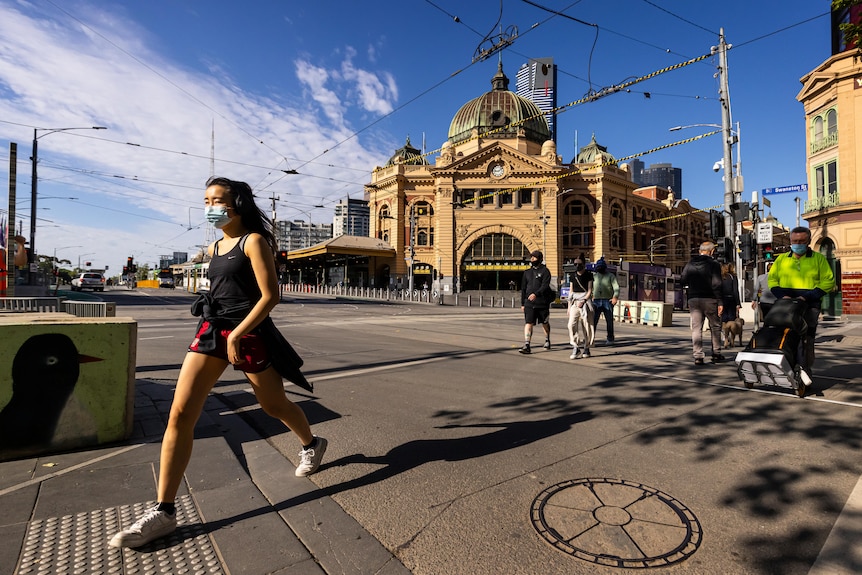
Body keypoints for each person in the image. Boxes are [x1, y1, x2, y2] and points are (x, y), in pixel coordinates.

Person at [110, 177, 326, 549]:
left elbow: (271, 296)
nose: (211, 206)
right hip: (211, 330)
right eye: (206, 199)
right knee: (179, 414)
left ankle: (312, 442)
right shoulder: (213, 246)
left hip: (249, 332)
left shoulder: (253, 242)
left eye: (218, 200)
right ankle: (164, 510)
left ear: (237, 203)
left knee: (273, 405)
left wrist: (240, 333)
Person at [768, 226, 835, 378]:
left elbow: (828, 281)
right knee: (786, 337)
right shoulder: (782, 259)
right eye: (794, 241)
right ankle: (786, 367)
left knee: (807, 339)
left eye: (801, 241)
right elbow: (772, 280)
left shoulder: (819, 259)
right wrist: (782, 295)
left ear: (809, 241)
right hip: (786, 305)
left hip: (809, 305)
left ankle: (805, 370)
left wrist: (807, 296)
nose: (797, 244)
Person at [680, 241, 724, 365]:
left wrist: (691, 289)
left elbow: (682, 280)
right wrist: (720, 301)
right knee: (715, 326)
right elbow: (717, 284)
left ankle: (698, 356)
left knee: (696, 328)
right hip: (710, 299)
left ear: (700, 251)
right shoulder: (714, 264)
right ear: (712, 251)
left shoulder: (690, 264)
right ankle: (716, 353)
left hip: (694, 299)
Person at [519, 250, 552, 354]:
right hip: (529, 303)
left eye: (534, 257)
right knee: (528, 322)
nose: (532, 259)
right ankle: (527, 344)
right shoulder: (527, 273)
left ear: (540, 259)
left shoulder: (545, 271)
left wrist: (536, 294)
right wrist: (522, 303)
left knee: (545, 322)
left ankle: (547, 339)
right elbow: (523, 288)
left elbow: (545, 286)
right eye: (531, 257)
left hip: (542, 302)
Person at [567, 254, 594, 359]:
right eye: (575, 264)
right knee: (571, 324)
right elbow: (571, 291)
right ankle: (575, 346)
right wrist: (569, 306)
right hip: (575, 302)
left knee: (587, 325)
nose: (577, 266)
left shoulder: (589, 275)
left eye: (579, 264)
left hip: (585, 301)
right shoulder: (573, 276)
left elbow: (590, 290)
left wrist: (583, 300)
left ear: (584, 264)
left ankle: (586, 346)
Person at [591, 257, 619, 345]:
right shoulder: (594, 276)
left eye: (601, 267)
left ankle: (610, 338)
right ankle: (591, 339)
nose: (599, 268)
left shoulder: (611, 276)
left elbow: (616, 287)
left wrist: (615, 297)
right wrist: (591, 296)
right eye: (598, 267)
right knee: (593, 321)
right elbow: (590, 288)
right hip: (596, 301)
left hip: (608, 301)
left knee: (609, 321)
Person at [752, 261, 776, 328]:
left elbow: (756, 289)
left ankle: (766, 331)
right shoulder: (778, 278)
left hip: (764, 301)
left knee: (765, 317)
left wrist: (754, 300)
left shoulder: (761, 277)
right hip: (775, 301)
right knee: (774, 318)